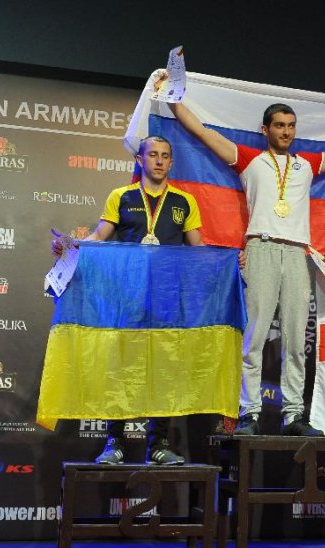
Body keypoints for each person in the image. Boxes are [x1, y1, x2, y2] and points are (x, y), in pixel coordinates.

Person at [167, 90, 325, 436]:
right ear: (265, 129)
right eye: (279, 125)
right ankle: (249, 412)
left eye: (291, 126)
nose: (286, 131)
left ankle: (293, 414)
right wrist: (172, 101)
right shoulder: (248, 160)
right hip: (260, 248)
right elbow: (202, 132)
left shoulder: (306, 163)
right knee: (254, 336)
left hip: (296, 253)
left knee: (294, 338)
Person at [53, 136, 201, 466]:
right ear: (140, 159)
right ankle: (114, 444)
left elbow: (199, 250)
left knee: (163, 372)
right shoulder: (121, 197)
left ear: (171, 162)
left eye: (165, 156)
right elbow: (99, 238)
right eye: (153, 155)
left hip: (166, 300)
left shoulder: (184, 202)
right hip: (128, 297)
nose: (159, 161)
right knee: (120, 369)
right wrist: (72, 247)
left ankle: (159, 445)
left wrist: (229, 261)